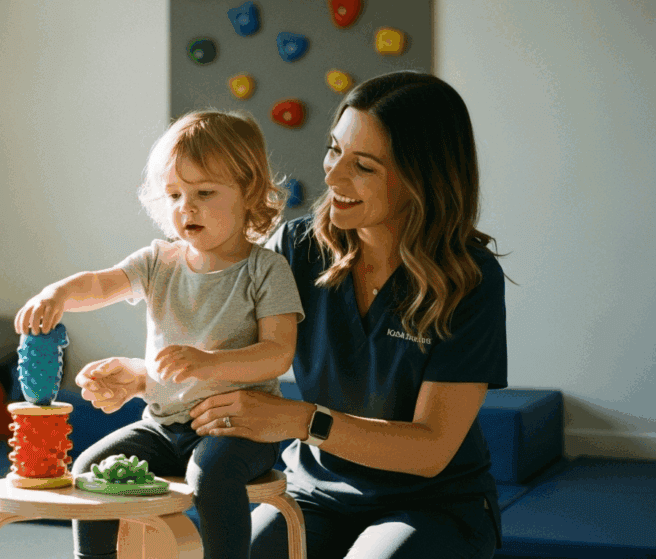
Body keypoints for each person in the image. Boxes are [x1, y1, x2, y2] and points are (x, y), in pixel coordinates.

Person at [77, 71, 508, 558]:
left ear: (421, 178)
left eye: (363, 166)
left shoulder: (469, 278)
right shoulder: (296, 250)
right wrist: (144, 377)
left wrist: (301, 420)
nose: (332, 176)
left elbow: (430, 450)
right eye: (333, 149)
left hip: (431, 505)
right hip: (314, 494)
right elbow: (226, 356)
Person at [14, 110, 305, 559]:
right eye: (174, 194)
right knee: (92, 468)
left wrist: (209, 362)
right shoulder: (158, 261)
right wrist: (59, 293)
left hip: (238, 431)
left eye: (204, 192)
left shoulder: (266, 269)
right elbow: (101, 283)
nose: (185, 207)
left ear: (248, 193)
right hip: (164, 426)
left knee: (209, 475)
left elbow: (277, 354)